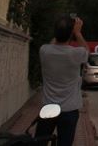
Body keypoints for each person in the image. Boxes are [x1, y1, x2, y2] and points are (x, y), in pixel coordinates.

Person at [35, 15, 89, 146]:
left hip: (48, 107)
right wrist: (77, 32)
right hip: (69, 109)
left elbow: (53, 43)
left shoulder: (44, 50)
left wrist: (63, 29)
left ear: (55, 33)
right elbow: (86, 50)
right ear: (71, 34)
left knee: (39, 142)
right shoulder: (75, 54)